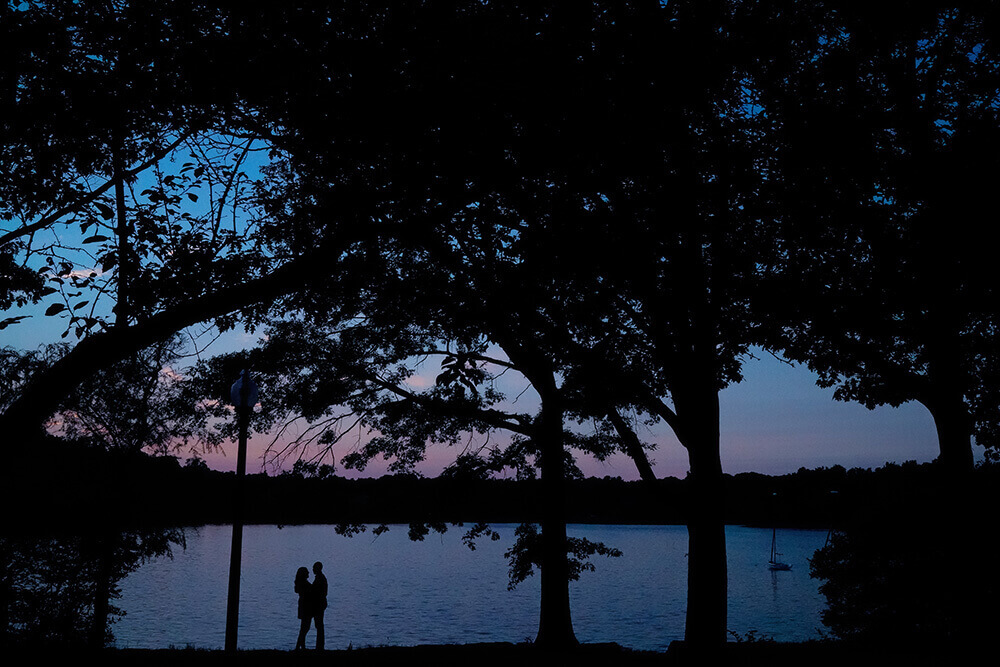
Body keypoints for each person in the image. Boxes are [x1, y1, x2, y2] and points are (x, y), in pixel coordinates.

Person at [294, 566, 312, 650]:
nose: (309, 573)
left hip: (303, 605)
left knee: (304, 627)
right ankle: (299, 646)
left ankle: (301, 646)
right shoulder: (304, 584)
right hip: (306, 606)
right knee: (305, 627)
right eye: (307, 572)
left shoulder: (301, 583)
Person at [311, 561, 328, 650]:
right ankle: (319, 646)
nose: (313, 569)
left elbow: (319, 592)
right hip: (320, 604)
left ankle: (320, 646)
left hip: (319, 604)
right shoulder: (320, 578)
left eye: (314, 568)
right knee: (319, 625)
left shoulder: (320, 578)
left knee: (319, 625)